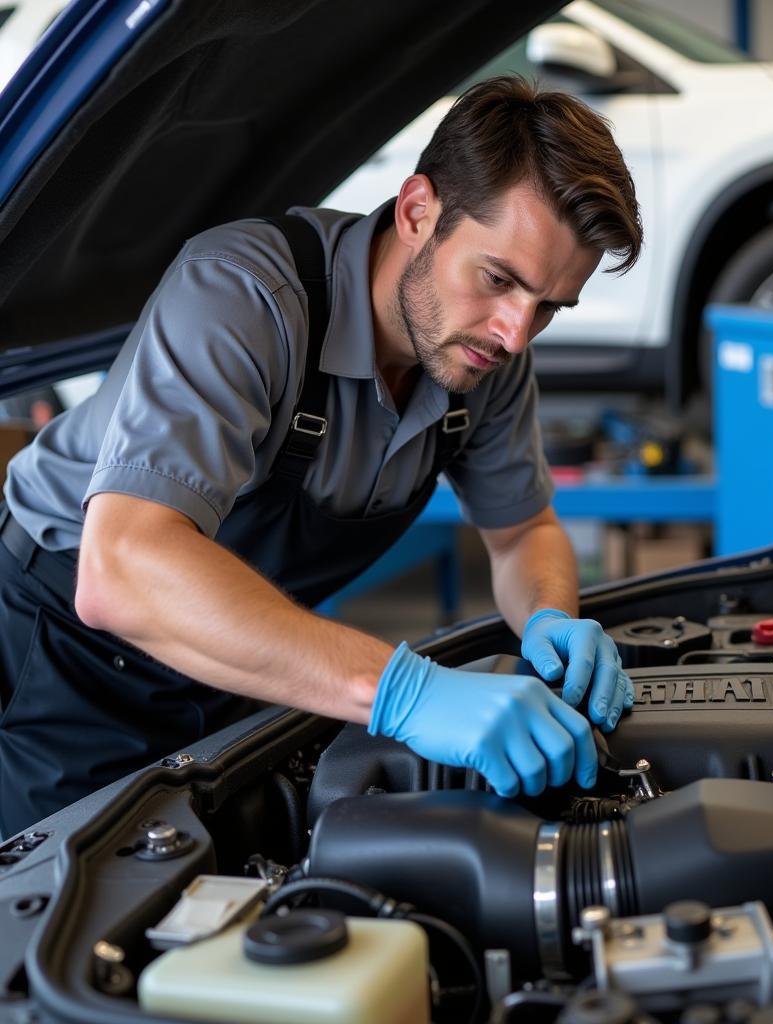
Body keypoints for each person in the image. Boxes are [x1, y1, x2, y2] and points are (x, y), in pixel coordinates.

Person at [0, 75, 643, 836]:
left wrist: (548, 620)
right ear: (416, 212)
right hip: (70, 663)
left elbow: (522, 532)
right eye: (498, 279)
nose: (514, 332)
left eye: (548, 307)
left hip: (241, 654)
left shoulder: (482, 358)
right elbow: (122, 573)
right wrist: (408, 694)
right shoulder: (245, 296)